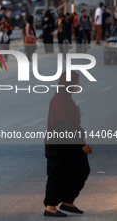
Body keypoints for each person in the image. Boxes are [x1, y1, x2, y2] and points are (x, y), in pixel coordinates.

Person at [44, 71, 92, 217]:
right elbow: (64, 125)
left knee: (81, 168)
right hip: (57, 144)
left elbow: (72, 125)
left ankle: (68, 201)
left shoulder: (66, 98)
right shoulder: (59, 99)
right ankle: (50, 207)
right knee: (57, 174)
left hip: (68, 142)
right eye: (76, 82)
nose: (78, 85)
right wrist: (81, 143)